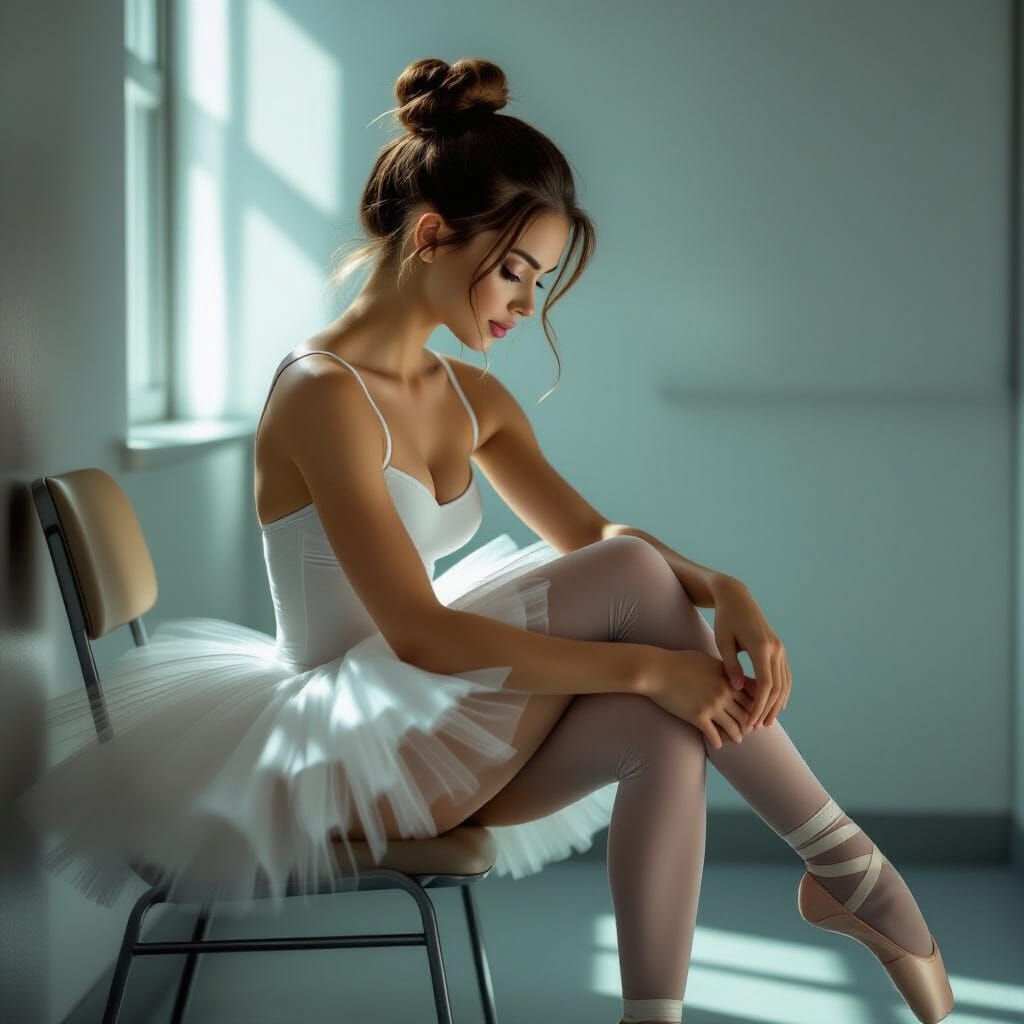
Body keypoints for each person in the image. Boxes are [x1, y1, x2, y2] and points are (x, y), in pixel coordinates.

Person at [17, 57, 953, 1024]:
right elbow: (419, 634)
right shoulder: (321, 396)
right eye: (514, 271)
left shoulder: (473, 397)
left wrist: (722, 588)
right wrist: (643, 665)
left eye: (538, 281)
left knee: (670, 732)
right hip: (347, 755)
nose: (523, 304)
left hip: (429, 732)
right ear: (431, 235)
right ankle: (853, 872)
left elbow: (592, 537)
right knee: (643, 630)